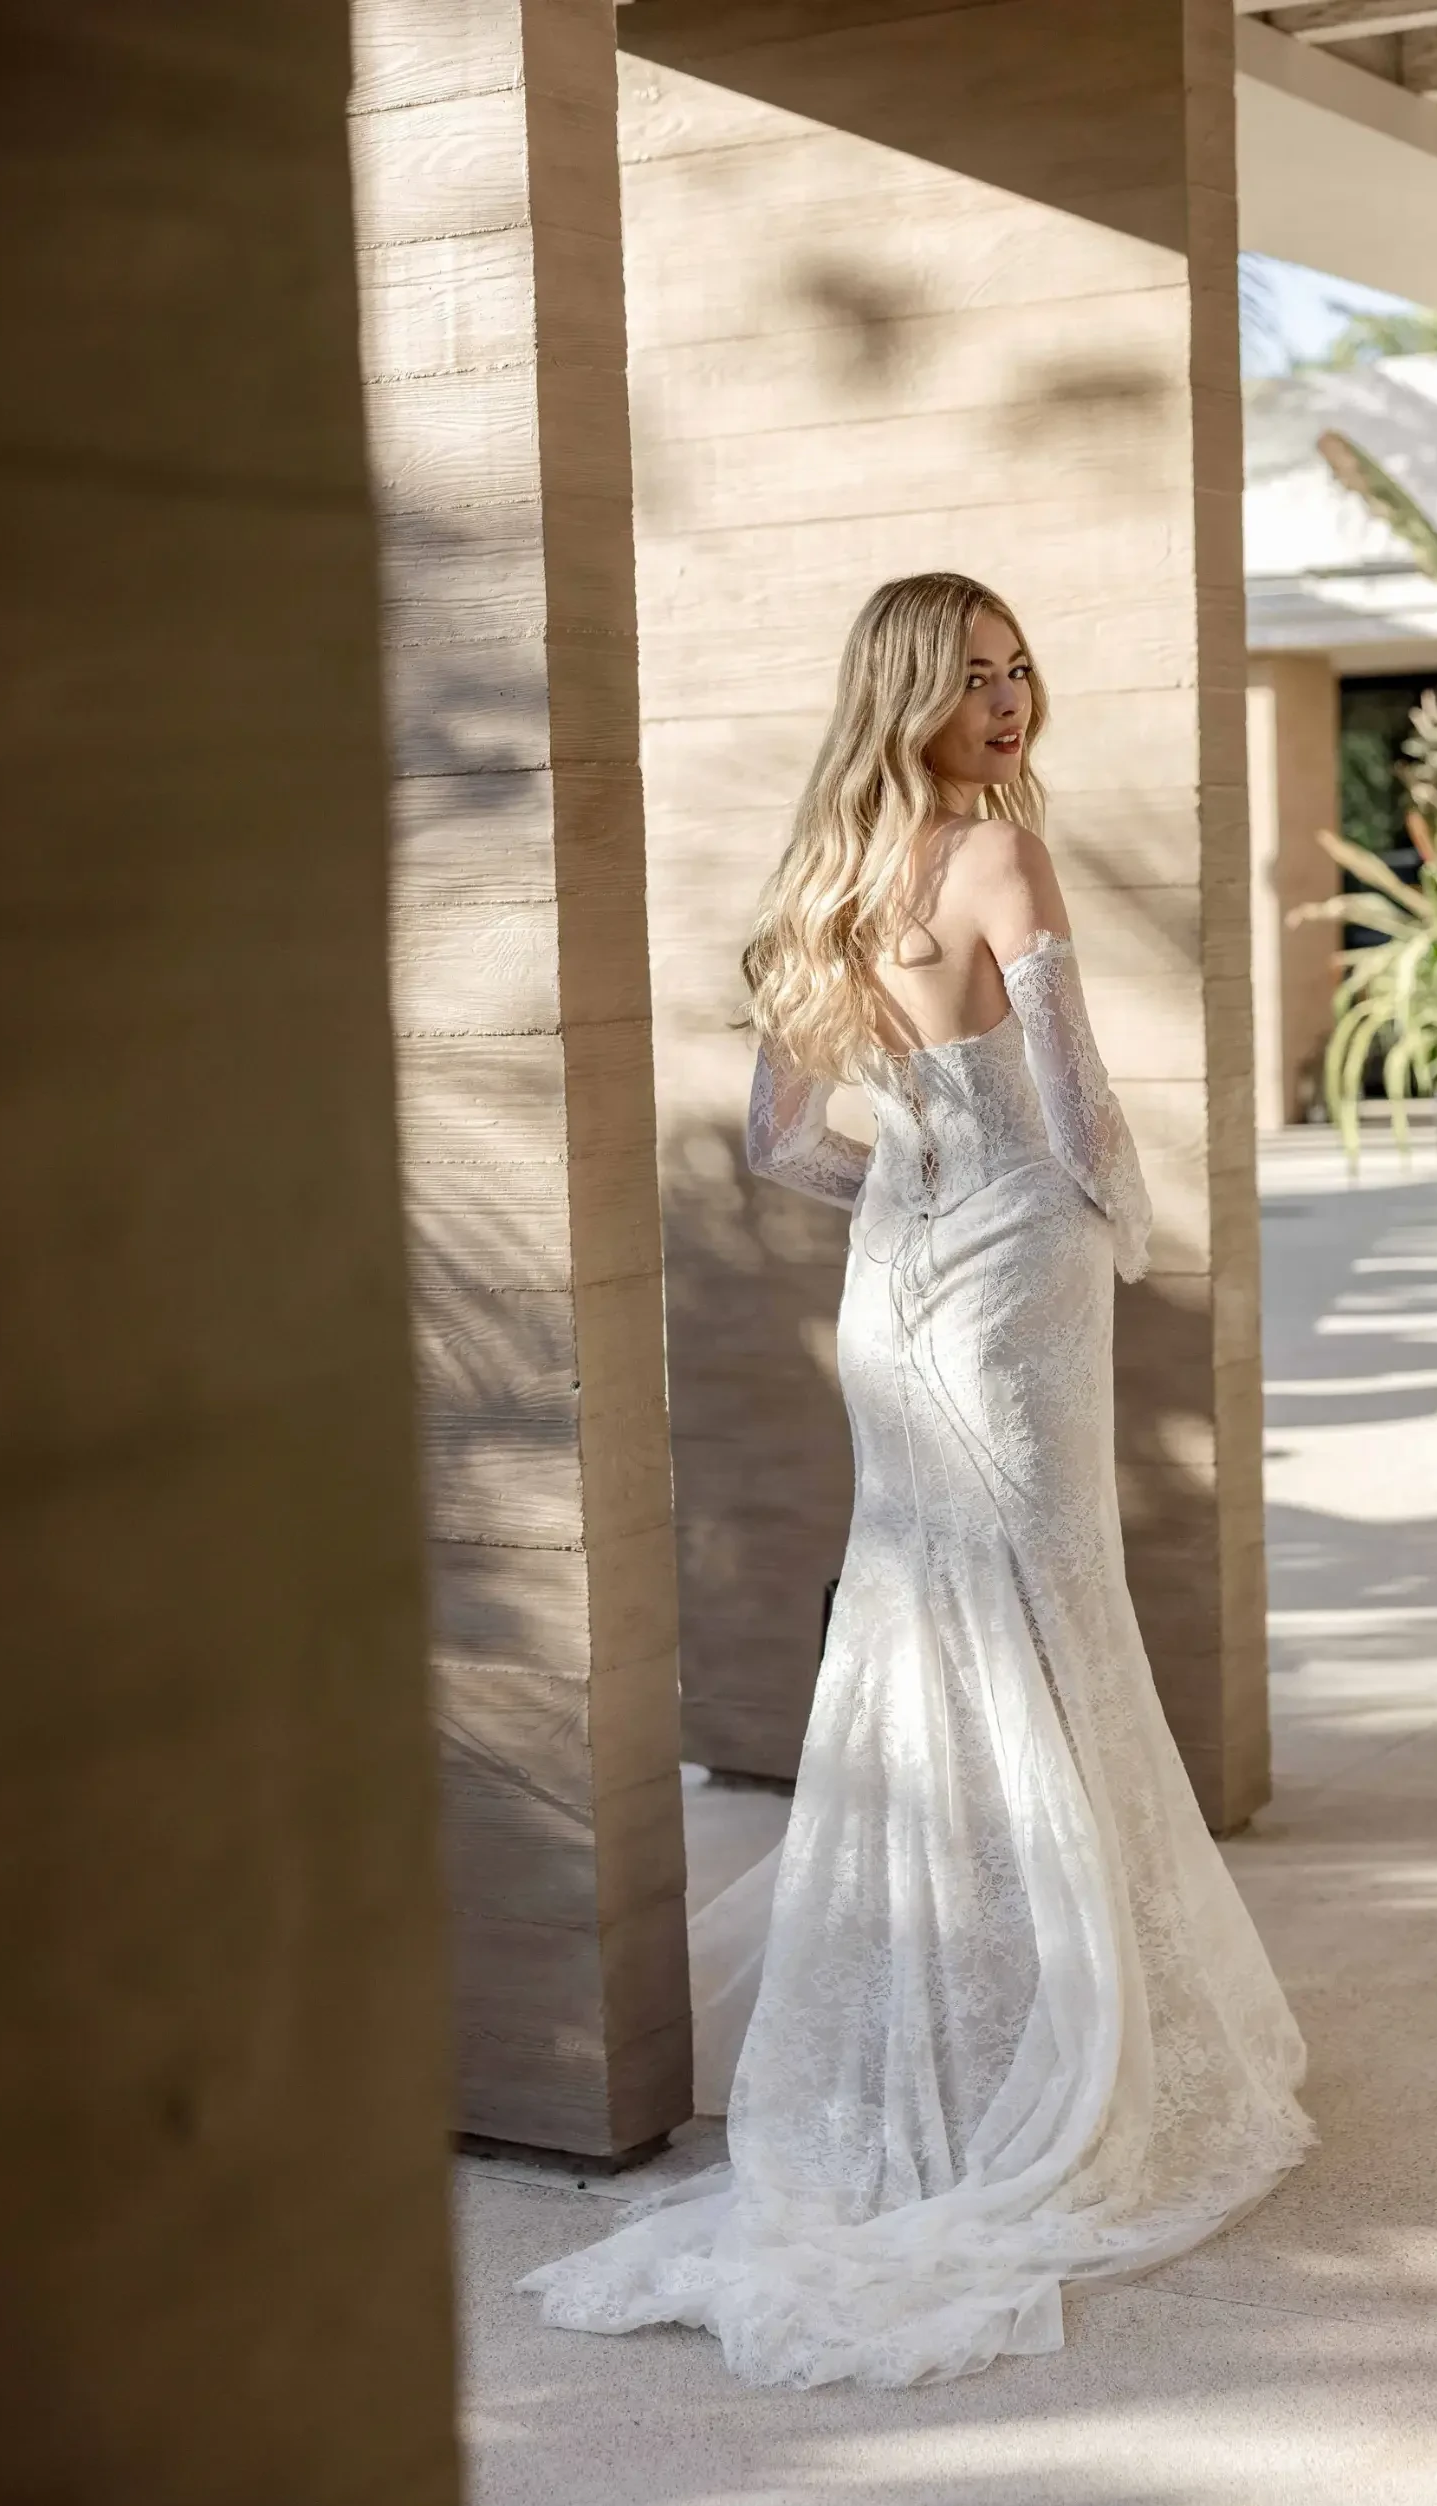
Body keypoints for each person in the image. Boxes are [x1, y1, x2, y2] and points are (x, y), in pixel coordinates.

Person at [520, 572, 1311, 2389]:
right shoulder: (1002, 864)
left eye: (1022, 671)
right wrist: (1109, 1233)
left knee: (920, 1639)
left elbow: (784, 1144)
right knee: (1043, 1625)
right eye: (975, 680)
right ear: (909, 695)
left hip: (900, 1294)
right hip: (1016, 1295)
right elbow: (1077, 1101)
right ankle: (1055, 2045)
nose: (1012, 703)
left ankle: (944, 2039)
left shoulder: (829, 883)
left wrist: (915, 1191)